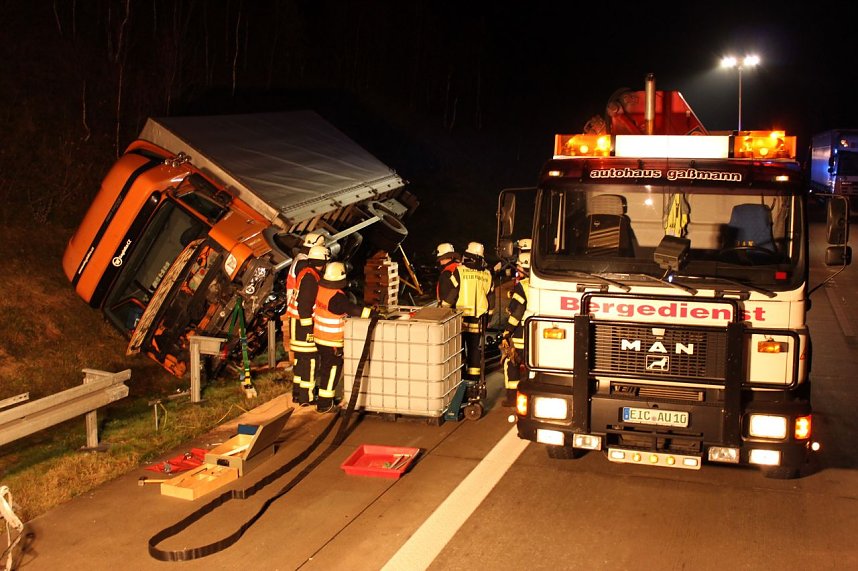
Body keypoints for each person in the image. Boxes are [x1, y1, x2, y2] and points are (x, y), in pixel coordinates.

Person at [313, 261, 375, 413]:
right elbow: (353, 310)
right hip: (331, 341)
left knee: (325, 369)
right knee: (332, 371)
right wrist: (373, 314)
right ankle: (325, 405)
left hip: (320, 337)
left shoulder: (321, 290)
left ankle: (324, 400)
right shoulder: (337, 297)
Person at [288, 244, 329, 405]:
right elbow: (304, 307)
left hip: (296, 324)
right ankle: (307, 397)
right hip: (303, 326)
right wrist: (309, 330)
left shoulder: (306, 272)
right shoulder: (311, 279)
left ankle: (298, 393)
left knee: (300, 360)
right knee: (310, 361)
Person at [282, 232, 325, 367]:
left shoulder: (301, 258)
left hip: (296, 307)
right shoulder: (304, 264)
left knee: (301, 355)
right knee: (306, 354)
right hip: (300, 310)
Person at [455, 241, 494, 382]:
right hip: (479, 318)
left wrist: (445, 310)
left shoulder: (460, 271)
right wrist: (489, 318)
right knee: (474, 349)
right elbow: (491, 298)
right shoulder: (487, 274)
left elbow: (452, 294)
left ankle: (459, 376)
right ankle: (474, 378)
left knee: (458, 348)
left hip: (461, 317)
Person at [501, 251, 530, 407]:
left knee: (511, 363)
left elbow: (516, 313)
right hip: (538, 335)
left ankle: (513, 398)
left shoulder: (522, 286)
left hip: (521, 335)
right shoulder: (542, 284)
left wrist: (507, 332)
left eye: (519, 267)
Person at [435, 242, 460, 308]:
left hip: (449, 308)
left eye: (441, 258)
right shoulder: (459, 267)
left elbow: (455, 288)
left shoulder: (448, 272)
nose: (440, 261)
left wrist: (444, 305)